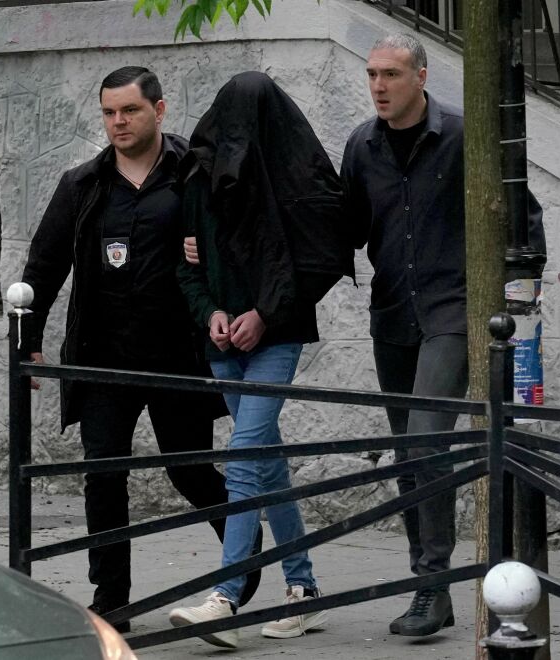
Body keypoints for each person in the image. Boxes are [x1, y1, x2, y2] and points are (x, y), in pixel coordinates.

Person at [19, 66, 261, 630]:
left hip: (178, 353)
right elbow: (44, 267)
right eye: (109, 112)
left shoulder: (192, 173)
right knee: (104, 473)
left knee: (190, 470)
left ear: (159, 109)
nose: (118, 122)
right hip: (102, 357)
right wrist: (28, 344)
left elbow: (237, 235)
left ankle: (245, 560)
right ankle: (113, 600)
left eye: (129, 110)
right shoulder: (82, 183)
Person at [340, 33, 546, 637]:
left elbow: (522, 215)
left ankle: (433, 586)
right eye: (372, 74)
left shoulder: (462, 137)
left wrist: (523, 300)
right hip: (394, 316)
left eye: (391, 75)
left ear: (421, 77)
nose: (378, 85)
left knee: (426, 443)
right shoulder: (360, 145)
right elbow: (344, 228)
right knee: (408, 454)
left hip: (454, 311)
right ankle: (425, 586)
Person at [168, 71, 354, 649]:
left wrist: (264, 316)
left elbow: (321, 258)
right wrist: (212, 316)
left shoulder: (297, 183)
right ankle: (304, 590)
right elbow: (187, 266)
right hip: (223, 342)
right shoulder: (199, 176)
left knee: (246, 454)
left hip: (275, 339)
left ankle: (224, 597)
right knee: (267, 462)